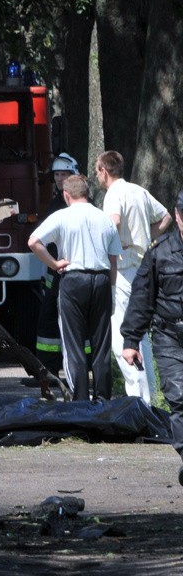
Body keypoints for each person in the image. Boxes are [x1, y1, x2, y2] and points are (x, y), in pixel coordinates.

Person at [28, 175, 122, 401]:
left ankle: (80, 402)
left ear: (66, 195)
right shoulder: (105, 218)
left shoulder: (62, 216)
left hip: (73, 280)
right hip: (100, 280)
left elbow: (33, 241)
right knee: (101, 345)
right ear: (88, 193)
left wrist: (54, 263)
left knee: (74, 344)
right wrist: (111, 289)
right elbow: (113, 260)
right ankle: (103, 401)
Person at [97, 150, 172, 403]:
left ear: (104, 171)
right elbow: (166, 217)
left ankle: (137, 400)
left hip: (124, 267)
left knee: (122, 333)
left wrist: (110, 250)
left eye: (97, 171)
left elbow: (114, 222)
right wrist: (147, 238)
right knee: (140, 332)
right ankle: (149, 394)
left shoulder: (113, 194)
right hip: (143, 263)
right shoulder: (138, 190)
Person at [121, 189, 183, 486]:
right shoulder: (159, 252)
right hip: (170, 335)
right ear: (177, 214)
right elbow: (142, 298)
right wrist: (131, 341)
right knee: (179, 397)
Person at [34, 153, 79, 379]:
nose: (60, 179)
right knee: (48, 322)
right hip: (55, 271)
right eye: (57, 175)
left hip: (68, 270)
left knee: (69, 322)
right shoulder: (55, 203)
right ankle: (48, 371)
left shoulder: (72, 204)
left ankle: (77, 370)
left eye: (65, 174)